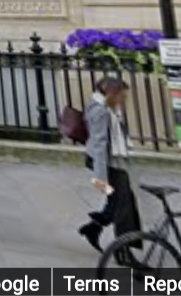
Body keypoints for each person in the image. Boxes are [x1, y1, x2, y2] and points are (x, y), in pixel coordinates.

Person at [78, 78, 141, 256]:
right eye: (121, 95)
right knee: (124, 207)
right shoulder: (101, 112)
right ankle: (124, 251)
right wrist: (101, 177)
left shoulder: (108, 109)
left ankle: (94, 228)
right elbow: (99, 144)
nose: (123, 99)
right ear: (112, 93)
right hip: (106, 162)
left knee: (118, 201)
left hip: (110, 161)